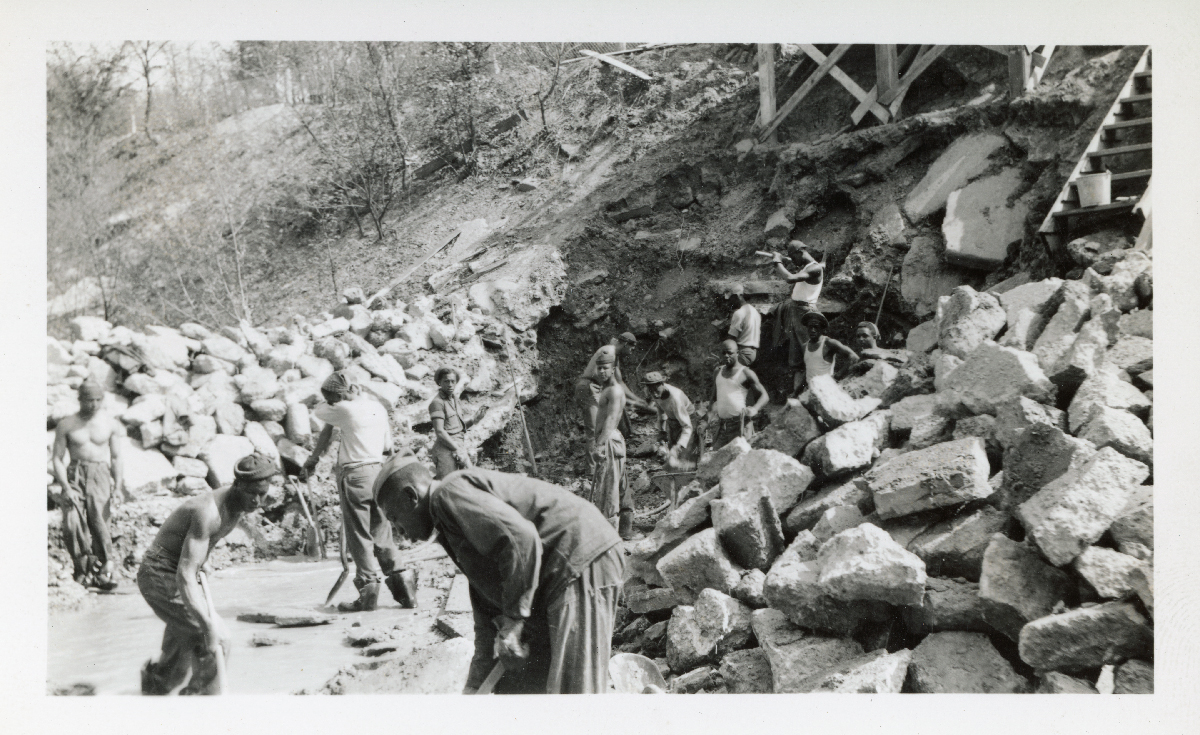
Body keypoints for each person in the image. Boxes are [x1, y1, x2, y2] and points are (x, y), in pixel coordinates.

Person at [373, 456, 624, 695]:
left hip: (578, 560)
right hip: (559, 574)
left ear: (410, 496)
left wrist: (515, 620)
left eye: (394, 519)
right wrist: (474, 686)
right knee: (521, 686)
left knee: (573, 693)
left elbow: (520, 539)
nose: (399, 532)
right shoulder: (449, 526)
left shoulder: (448, 494)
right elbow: (487, 610)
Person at [137, 453, 275, 695]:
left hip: (175, 568)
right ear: (237, 485)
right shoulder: (208, 511)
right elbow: (185, 575)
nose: (257, 501)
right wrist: (208, 626)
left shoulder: (238, 503)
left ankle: (154, 689)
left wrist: (202, 560)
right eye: (251, 493)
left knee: (182, 645)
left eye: (262, 493)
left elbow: (196, 549)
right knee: (217, 639)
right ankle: (201, 704)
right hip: (159, 573)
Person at [301, 371, 403, 612]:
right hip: (379, 473)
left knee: (359, 536)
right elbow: (388, 446)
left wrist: (337, 403)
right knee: (381, 531)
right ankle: (404, 588)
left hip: (356, 475)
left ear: (340, 396)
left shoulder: (345, 410)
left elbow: (319, 411)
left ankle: (367, 594)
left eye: (334, 399)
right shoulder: (376, 406)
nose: (334, 404)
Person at [51, 380, 125, 590]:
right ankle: (83, 569)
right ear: (80, 399)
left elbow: (117, 457)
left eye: (98, 400)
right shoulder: (67, 424)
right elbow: (57, 458)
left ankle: (103, 571)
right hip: (75, 474)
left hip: (100, 474)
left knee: (100, 522)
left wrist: (118, 487)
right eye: (89, 400)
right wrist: (65, 487)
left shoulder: (110, 423)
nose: (93, 405)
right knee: (72, 522)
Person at [768, 245, 825, 394]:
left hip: (806, 314)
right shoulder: (808, 266)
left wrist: (777, 261)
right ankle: (797, 395)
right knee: (796, 359)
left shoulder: (814, 268)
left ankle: (816, 392)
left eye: (793, 257)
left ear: (800, 252)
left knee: (810, 354)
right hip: (795, 312)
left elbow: (790, 278)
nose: (793, 261)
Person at [589, 348, 634, 539]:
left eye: (605, 368)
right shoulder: (608, 389)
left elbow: (612, 419)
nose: (601, 372)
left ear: (613, 368)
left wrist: (599, 445)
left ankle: (608, 539)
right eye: (598, 368)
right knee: (620, 485)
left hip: (609, 440)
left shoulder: (614, 391)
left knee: (608, 489)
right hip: (610, 440)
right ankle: (625, 531)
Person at [574, 332, 648, 441]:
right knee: (595, 431)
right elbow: (601, 376)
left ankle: (606, 453)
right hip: (589, 387)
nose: (631, 352)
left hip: (596, 388)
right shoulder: (609, 351)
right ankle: (597, 454)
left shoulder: (614, 357)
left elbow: (619, 382)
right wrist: (631, 402)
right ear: (626, 344)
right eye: (631, 348)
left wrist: (638, 400)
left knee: (610, 425)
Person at [707, 340, 769, 450]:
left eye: (729, 353)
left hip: (740, 425)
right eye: (723, 353)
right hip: (722, 427)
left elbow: (764, 396)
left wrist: (755, 409)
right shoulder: (718, 371)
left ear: (737, 353)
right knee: (716, 459)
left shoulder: (746, 372)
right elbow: (713, 398)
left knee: (741, 459)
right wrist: (707, 420)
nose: (726, 356)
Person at [428, 367, 488, 480]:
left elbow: (457, 428)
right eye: (446, 381)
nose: (450, 384)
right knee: (447, 484)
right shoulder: (437, 403)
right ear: (439, 382)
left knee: (471, 478)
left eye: (453, 381)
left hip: (458, 445)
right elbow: (440, 432)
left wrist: (474, 420)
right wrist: (457, 449)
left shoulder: (454, 399)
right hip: (445, 448)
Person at [641, 371, 699, 469]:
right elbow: (661, 412)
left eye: (656, 390)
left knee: (684, 456)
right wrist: (662, 431)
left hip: (688, 420)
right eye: (651, 390)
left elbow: (687, 427)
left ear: (662, 384)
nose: (654, 394)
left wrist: (679, 446)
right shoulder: (655, 393)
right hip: (673, 421)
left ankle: (690, 475)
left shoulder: (675, 398)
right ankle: (673, 477)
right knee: (672, 457)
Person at [797, 312, 859, 393]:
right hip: (810, 390)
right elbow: (809, 369)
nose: (812, 330)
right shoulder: (804, 346)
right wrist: (797, 391)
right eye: (810, 327)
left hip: (826, 390)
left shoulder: (829, 343)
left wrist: (837, 376)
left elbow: (853, 357)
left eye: (816, 327)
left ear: (822, 329)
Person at [725, 284, 761, 366]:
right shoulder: (755, 312)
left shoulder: (739, 313)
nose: (730, 302)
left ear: (739, 296)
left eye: (732, 298)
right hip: (753, 353)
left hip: (742, 352)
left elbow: (731, 339)